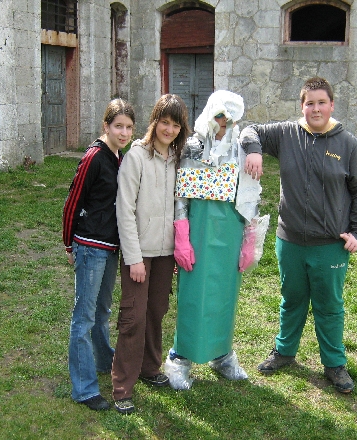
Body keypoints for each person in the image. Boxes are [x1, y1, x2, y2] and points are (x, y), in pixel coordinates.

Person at [239, 77, 357, 394]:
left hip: (330, 244)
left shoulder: (347, 144)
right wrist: (254, 151)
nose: (316, 109)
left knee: (329, 306)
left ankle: (335, 364)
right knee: (292, 299)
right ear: (302, 106)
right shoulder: (287, 134)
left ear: (331, 105)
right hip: (291, 241)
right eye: (309, 103)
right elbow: (249, 130)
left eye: (321, 102)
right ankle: (284, 352)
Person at [165, 90, 264, 390]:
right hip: (198, 230)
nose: (223, 122)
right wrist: (182, 237)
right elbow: (180, 195)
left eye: (229, 117)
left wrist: (249, 240)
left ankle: (222, 354)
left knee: (225, 295)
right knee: (194, 296)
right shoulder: (192, 147)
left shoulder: (242, 150)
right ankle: (180, 358)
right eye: (219, 115)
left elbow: (250, 194)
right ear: (210, 113)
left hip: (230, 231)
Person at [111, 94, 190, 414]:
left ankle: (149, 367)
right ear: (155, 121)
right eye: (164, 122)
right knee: (134, 317)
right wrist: (133, 258)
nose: (169, 130)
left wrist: (176, 249)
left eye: (175, 125)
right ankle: (122, 386)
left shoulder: (178, 159)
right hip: (139, 253)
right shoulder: (136, 157)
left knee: (156, 311)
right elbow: (124, 210)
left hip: (165, 254)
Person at [62, 99, 135, 411]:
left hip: (109, 248)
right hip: (90, 246)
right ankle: (84, 389)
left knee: (102, 311)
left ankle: (104, 361)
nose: (124, 132)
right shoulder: (94, 157)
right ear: (106, 126)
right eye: (118, 126)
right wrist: (69, 244)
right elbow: (72, 201)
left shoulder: (120, 157)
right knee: (84, 317)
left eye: (129, 127)